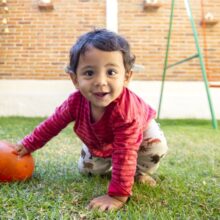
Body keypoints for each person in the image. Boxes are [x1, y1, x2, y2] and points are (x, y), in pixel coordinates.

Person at [14, 29, 168, 211]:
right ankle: (106, 157)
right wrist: (29, 144)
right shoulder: (74, 102)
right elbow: (52, 124)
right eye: (89, 73)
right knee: (88, 170)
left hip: (141, 136)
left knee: (154, 148)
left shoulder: (127, 112)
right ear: (75, 79)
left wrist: (117, 196)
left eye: (111, 72)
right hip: (101, 138)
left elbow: (125, 150)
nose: (100, 81)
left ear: (126, 77)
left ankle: (139, 173)